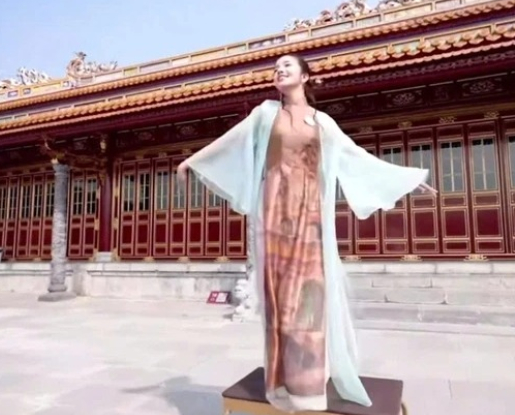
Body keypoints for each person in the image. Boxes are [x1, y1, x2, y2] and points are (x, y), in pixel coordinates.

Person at [177, 54, 437, 412]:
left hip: (310, 214)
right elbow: (231, 141)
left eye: (287, 66)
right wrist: (192, 160)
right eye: (276, 68)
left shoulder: (323, 122)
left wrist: (407, 180)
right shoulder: (265, 114)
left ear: (305, 76)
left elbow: (355, 157)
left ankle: (309, 385)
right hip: (275, 213)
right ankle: (282, 383)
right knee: (280, 297)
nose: (279, 71)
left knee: (310, 295)